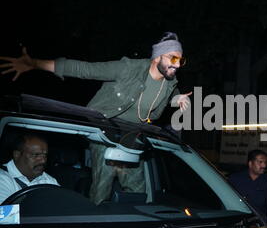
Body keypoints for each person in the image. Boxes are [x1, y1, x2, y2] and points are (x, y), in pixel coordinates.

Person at [1, 32, 192, 204]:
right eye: (173, 58)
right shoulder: (128, 69)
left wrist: (178, 98)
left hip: (132, 138)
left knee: (137, 192)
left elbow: (170, 96)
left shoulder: (170, 83)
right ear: (157, 56)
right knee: (102, 188)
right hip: (104, 130)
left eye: (180, 61)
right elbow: (84, 69)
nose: (177, 65)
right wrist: (34, 63)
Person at [0, 134, 59, 204]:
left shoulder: (49, 180)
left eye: (45, 155)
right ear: (17, 154)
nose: (43, 161)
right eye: (36, 155)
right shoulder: (2, 179)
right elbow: (4, 213)